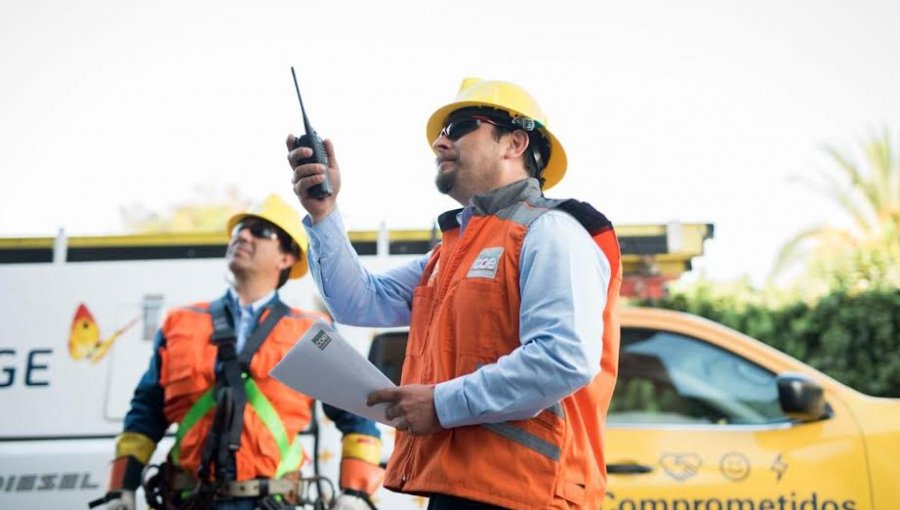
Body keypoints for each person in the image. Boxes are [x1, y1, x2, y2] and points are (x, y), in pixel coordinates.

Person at [287, 78, 622, 510]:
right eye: (441, 134)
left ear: (515, 142)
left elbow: (564, 359)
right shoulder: (448, 256)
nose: (440, 143)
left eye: (460, 127)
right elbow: (358, 300)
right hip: (460, 488)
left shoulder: (553, 231)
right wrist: (324, 213)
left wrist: (442, 405)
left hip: (530, 494)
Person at [95, 194, 384, 510]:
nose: (244, 236)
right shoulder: (180, 323)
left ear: (286, 258)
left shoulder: (311, 331)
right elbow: (146, 412)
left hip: (270, 504)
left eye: (260, 232)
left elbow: (358, 411)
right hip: (187, 503)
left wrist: (355, 493)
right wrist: (119, 490)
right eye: (239, 230)